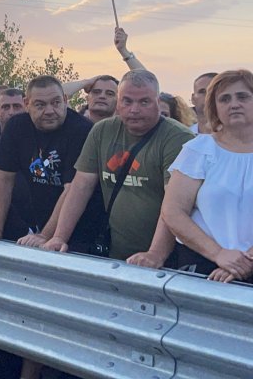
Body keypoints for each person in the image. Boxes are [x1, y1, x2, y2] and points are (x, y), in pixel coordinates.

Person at [41, 70, 194, 264]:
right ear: (118, 102)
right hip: (115, 252)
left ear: (158, 101)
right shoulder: (102, 130)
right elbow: (80, 187)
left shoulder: (178, 138)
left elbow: (175, 205)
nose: (134, 109)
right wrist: (59, 237)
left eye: (144, 102)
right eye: (127, 101)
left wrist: (156, 254)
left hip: (167, 259)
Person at [0, 76, 103, 248]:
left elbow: (72, 189)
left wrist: (45, 235)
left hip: (85, 227)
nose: (50, 110)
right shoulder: (16, 127)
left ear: (65, 100)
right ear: (27, 104)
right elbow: (2, 177)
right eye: (40, 105)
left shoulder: (81, 129)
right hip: (42, 218)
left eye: (56, 102)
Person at [162, 70, 253, 282]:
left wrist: (244, 262)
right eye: (225, 99)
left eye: (243, 96)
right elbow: (173, 211)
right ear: (215, 107)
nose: (234, 104)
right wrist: (219, 255)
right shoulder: (199, 150)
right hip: (205, 267)